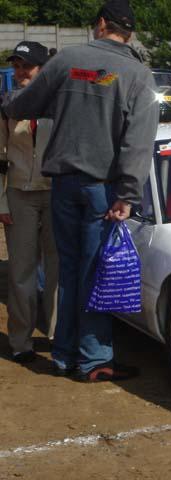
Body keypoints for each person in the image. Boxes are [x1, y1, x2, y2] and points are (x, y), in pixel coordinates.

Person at [3, 0, 159, 381]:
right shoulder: (138, 75)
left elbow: (23, 103)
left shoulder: (68, 60)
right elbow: (138, 142)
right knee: (93, 271)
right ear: (129, 34)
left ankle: (64, 356)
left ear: (101, 24)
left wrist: (13, 102)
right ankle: (93, 359)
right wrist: (128, 195)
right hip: (102, 190)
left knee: (69, 270)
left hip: (62, 185)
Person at [0, 41, 57, 364]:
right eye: (17, 65)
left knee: (57, 270)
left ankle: (58, 339)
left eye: (28, 66)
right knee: (21, 272)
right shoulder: (6, 105)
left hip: (55, 195)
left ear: (42, 69)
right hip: (18, 195)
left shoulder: (59, 102)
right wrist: (1, 203)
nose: (21, 71)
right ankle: (20, 342)